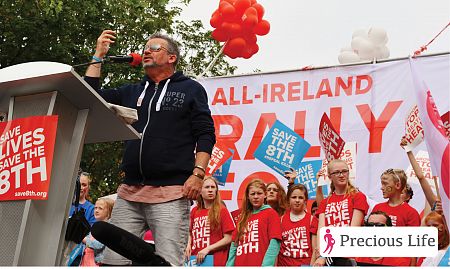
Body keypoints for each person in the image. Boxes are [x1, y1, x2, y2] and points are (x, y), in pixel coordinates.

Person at [84, 30, 216, 266]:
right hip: (129, 193)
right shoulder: (132, 91)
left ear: (172, 57)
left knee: (166, 263)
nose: (146, 51)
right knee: (114, 262)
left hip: (171, 193)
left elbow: (205, 134)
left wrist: (198, 174)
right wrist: (98, 55)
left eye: (154, 48)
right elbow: (90, 99)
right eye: (145, 48)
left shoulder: (190, 89)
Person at [313, 159, 369, 266]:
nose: (341, 175)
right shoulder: (326, 202)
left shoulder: (358, 197)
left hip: (349, 255)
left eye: (344, 171)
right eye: (337, 172)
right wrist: (321, 255)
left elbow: (354, 229)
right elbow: (321, 229)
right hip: (329, 255)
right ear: (330, 177)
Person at [226, 179, 282, 266]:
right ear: (248, 196)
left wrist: (266, 266)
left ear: (265, 195)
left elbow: (275, 243)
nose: (256, 197)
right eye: (252, 194)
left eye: (259, 193)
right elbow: (234, 245)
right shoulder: (242, 217)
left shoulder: (271, 213)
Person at [184, 177, 235, 266]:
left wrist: (208, 249)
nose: (210, 190)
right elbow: (189, 232)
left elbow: (229, 238)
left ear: (216, 191)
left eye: (213, 187)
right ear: (200, 191)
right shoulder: (194, 211)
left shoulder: (222, 210)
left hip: (215, 260)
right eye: (207, 187)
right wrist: (188, 245)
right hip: (195, 260)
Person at [278, 184, 315, 266]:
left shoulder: (312, 220)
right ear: (288, 200)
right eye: (294, 197)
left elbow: (315, 250)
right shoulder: (280, 220)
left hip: (305, 265)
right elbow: (276, 249)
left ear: (305, 200)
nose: (297, 200)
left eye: (301, 198)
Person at [80, 198, 115, 266]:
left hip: (96, 263)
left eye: (100, 208)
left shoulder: (108, 228)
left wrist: (83, 239)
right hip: (86, 261)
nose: (96, 210)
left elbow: (98, 245)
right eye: (95, 208)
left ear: (109, 211)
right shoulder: (95, 226)